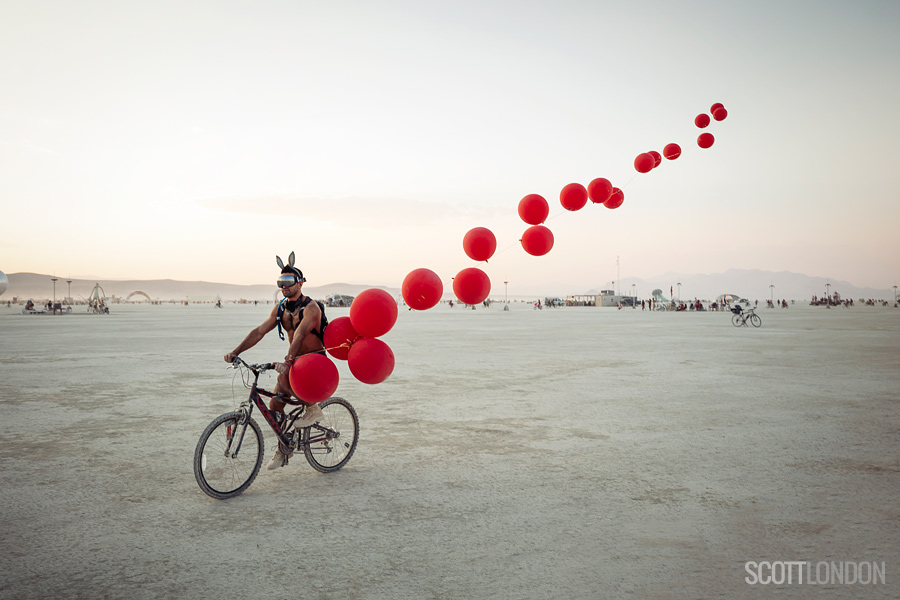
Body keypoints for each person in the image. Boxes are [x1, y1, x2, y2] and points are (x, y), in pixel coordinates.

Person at [224, 252, 326, 470]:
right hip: (294, 360)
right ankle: (284, 446)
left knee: (285, 377)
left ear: (300, 282)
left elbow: (299, 336)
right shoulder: (281, 308)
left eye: (289, 282)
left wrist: (288, 362)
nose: (284, 286)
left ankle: (314, 409)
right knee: (275, 404)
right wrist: (236, 351)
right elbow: (259, 331)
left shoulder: (312, 308)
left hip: (315, 361)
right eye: (281, 282)